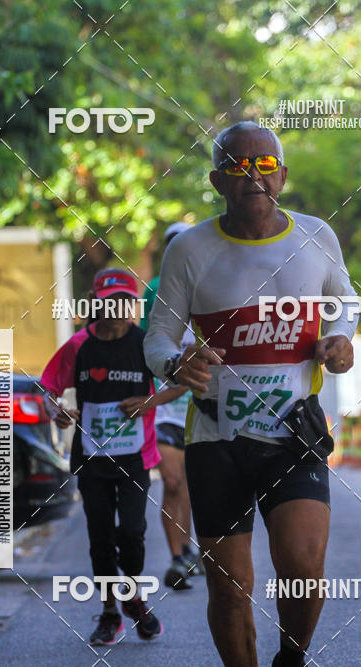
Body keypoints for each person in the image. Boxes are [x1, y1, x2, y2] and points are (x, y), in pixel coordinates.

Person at [144, 122, 359, 667]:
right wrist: (175, 363)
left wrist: (340, 339)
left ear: (283, 175)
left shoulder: (316, 237)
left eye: (266, 164)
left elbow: (346, 301)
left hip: (293, 432)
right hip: (216, 439)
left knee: (303, 566)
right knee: (229, 586)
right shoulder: (190, 251)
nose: (253, 175)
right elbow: (158, 337)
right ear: (218, 181)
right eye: (238, 166)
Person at [41, 268, 169, 646]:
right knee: (99, 536)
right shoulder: (79, 345)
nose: (117, 309)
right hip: (92, 458)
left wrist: (148, 401)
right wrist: (57, 411)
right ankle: (111, 612)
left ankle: (134, 594)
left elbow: (180, 384)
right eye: (110, 302)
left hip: (134, 457)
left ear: (134, 305)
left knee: (132, 531)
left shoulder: (146, 344)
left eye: (125, 302)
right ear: (95, 304)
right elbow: (48, 388)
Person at [143, 222, 205, 590]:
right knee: (172, 480)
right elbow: (142, 342)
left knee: (193, 484)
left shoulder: (208, 286)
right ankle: (177, 557)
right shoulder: (154, 289)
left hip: (200, 405)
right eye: (171, 244)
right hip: (164, 406)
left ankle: (190, 549)